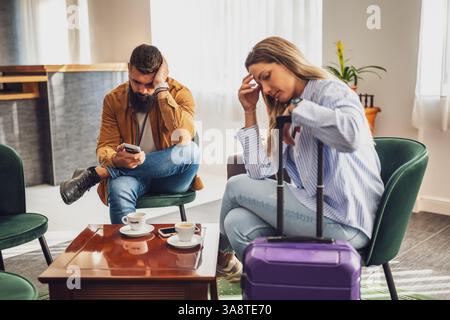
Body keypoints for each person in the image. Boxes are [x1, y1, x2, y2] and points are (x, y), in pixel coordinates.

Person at [216, 36, 384, 282]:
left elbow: (351, 136)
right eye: (259, 82)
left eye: (266, 76)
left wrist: (299, 107)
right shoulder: (282, 111)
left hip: (346, 222)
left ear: (287, 61)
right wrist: (249, 111)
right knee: (236, 222)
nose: (265, 89)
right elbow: (259, 172)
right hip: (315, 211)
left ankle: (217, 259)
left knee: (234, 185)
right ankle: (278, 287)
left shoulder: (330, 90)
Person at [60, 44, 203, 223]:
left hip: (171, 179)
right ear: (128, 70)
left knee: (191, 151)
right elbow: (105, 145)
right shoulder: (113, 100)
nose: (142, 90)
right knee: (118, 188)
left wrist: (160, 88)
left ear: (161, 76)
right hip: (131, 176)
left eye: (149, 83)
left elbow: (183, 136)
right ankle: (125, 250)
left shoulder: (179, 93)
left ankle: (99, 174)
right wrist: (115, 159)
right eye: (136, 82)